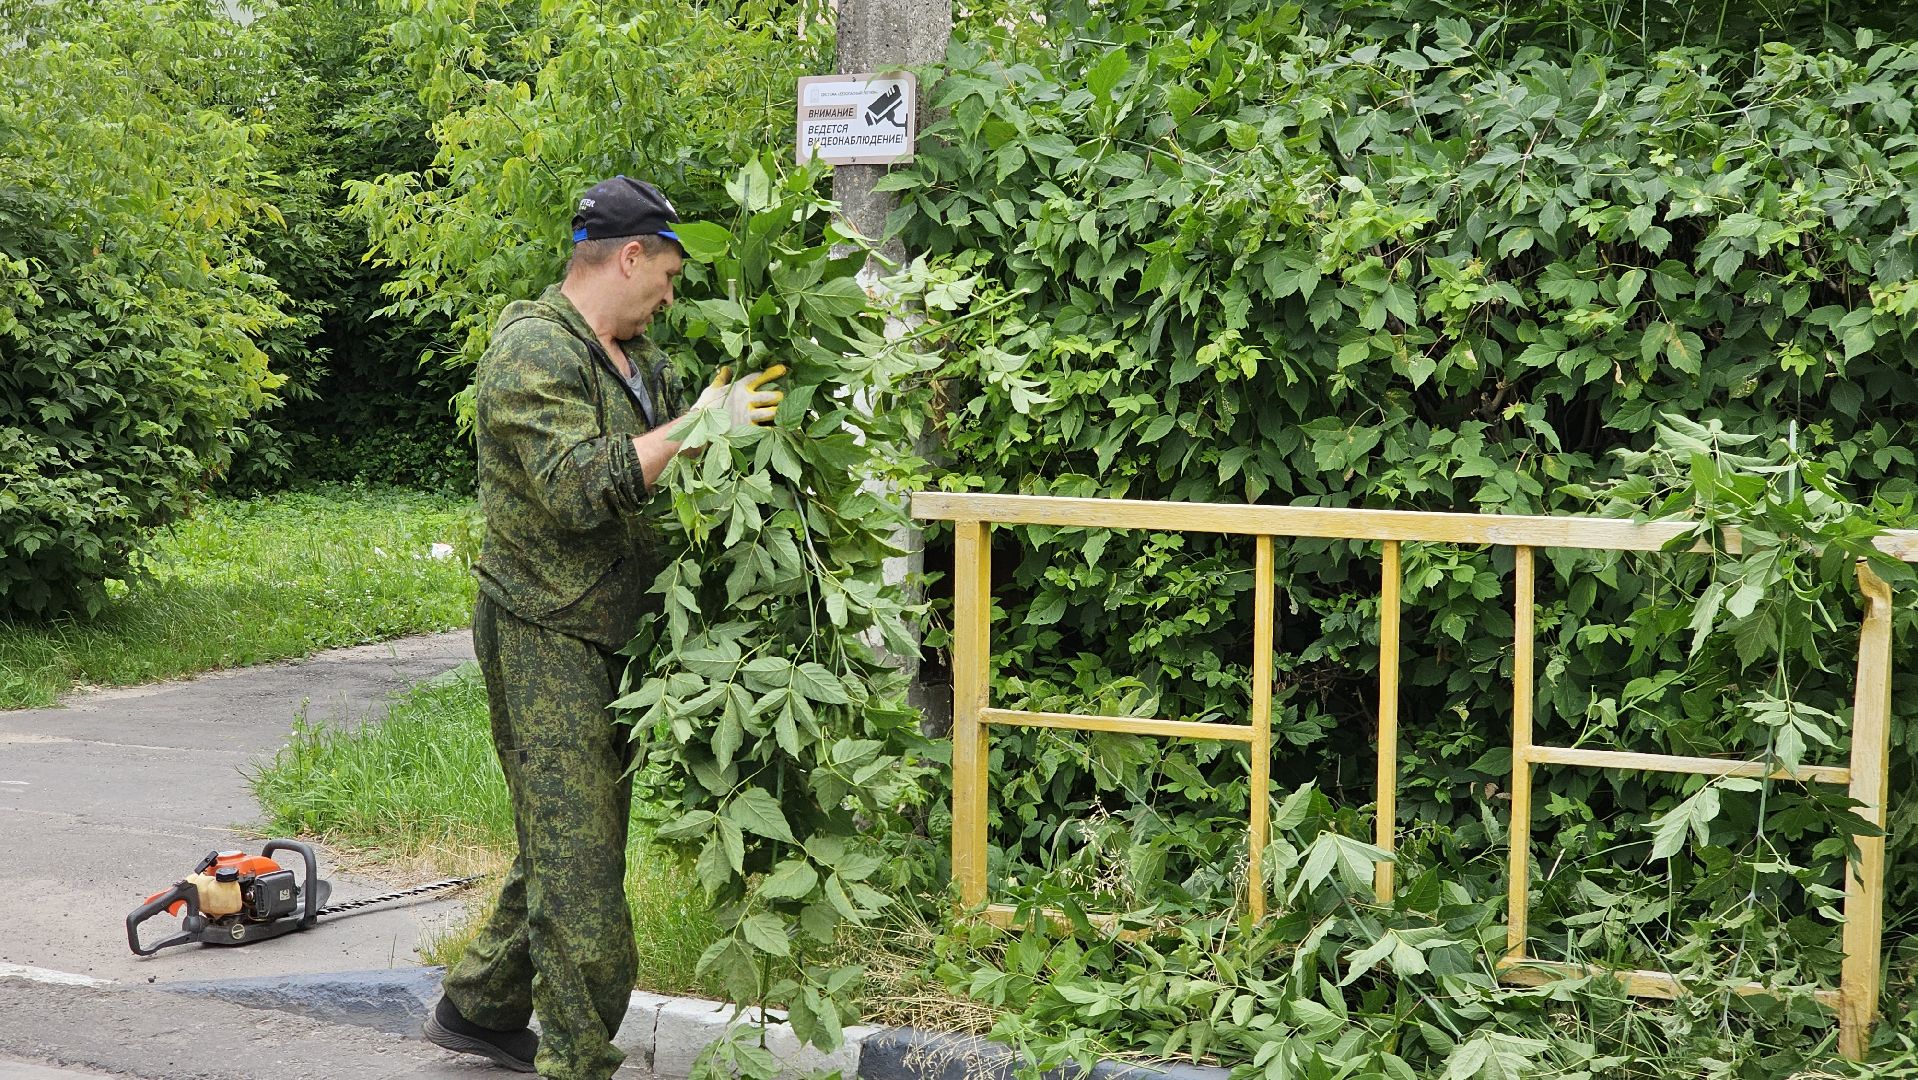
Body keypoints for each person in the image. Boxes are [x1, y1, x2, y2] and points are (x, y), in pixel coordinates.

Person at [423, 175, 785, 1079]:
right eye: (665, 270)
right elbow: (583, 485)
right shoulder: (531, 354)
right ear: (629, 256)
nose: (671, 291)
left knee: (570, 836)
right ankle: (579, 1060)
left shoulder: (635, 358)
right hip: (544, 626)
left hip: (617, 631)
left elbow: (675, 456)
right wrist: (702, 429)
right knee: (581, 873)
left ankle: (479, 1008)